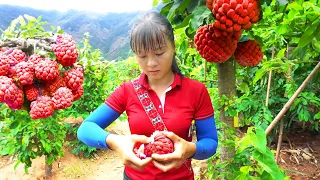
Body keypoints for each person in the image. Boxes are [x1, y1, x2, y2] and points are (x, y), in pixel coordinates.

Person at [77, 11, 218, 180]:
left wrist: (189, 149)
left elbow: (210, 142)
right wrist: (115, 142)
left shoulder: (196, 91)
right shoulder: (127, 91)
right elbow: (86, 128)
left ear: (173, 47)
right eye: (142, 56)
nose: (151, 63)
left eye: (159, 53)